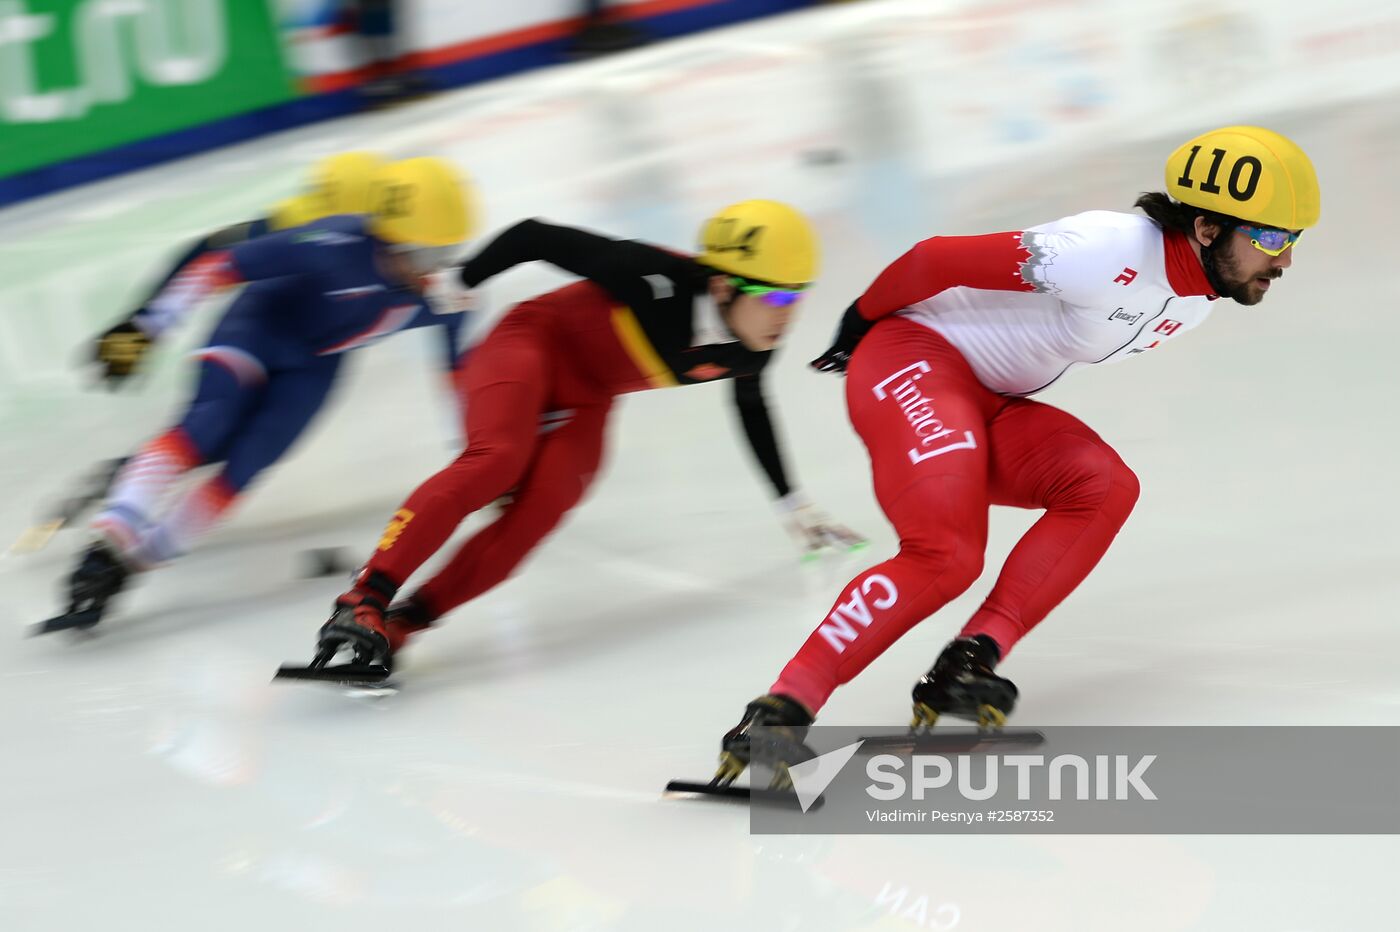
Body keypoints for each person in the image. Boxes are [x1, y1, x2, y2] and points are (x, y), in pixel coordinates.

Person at [714, 125, 1321, 785]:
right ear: (1206, 229)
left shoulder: (1199, 302)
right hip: (912, 358)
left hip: (986, 397)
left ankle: (967, 663)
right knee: (945, 553)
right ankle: (782, 708)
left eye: (1291, 240)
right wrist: (858, 324)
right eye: (1269, 238)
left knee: (1104, 487)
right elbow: (934, 260)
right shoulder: (1104, 247)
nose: (1284, 260)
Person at [281, 200, 865, 684]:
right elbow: (535, 235)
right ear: (720, 286)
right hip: (527, 345)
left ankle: (403, 623)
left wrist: (792, 501)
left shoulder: (755, 338)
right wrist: (463, 279)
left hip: (587, 395)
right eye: (778, 296)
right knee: (498, 462)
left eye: (799, 296)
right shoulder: (655, 281)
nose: (788, 315)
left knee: (543, 508)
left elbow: (750, 402)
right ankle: (362, 599)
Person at [40, 157, 481, 634]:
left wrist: (478, 449)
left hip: (314, 366)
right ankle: (105, 542)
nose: (432, 273)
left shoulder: (439, 294)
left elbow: (459, 372)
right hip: (255, 329)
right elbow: (215, 261)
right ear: (391, 235)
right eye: (425, 257)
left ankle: (129, 567)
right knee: (206, 426)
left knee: (245, 466)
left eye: (447, 255)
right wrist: (145, 325)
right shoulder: (334, 241)